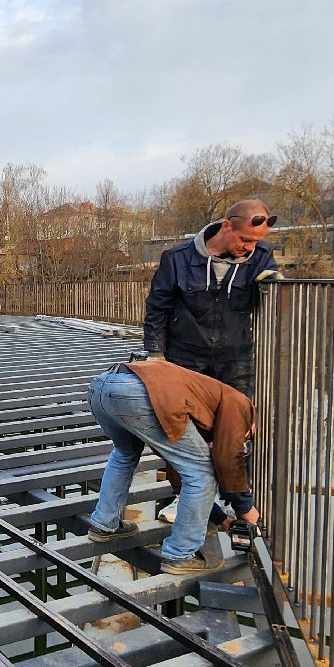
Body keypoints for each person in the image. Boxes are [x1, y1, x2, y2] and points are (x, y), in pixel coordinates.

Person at [143, 198, 279, 527]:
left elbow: (273, 293)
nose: (249, 247)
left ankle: (238, 508)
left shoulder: (260, 256)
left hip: (235, 359)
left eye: (255, 242)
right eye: (245, 239)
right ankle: (188, 501)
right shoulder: (178, 259)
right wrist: (156, 357)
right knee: (182, 433)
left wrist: (272, 287)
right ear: (227, 225)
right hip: (185, 358)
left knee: (237, 434)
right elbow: (157, 307)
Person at [85, 359, 260, 575]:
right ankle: (181, 554)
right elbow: (229, 457)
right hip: (137, 392)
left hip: (101, 386)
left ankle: (104, 524)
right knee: (203, 472)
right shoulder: (240, 404)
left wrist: (220, 518)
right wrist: (245, 508)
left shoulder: (195, 403)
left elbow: (178, 469)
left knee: (124, 454)